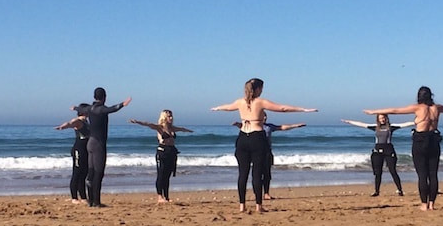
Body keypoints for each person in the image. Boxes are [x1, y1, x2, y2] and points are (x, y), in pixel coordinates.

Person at [212, 78, 317, 213]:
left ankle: (242, 206)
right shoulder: (260, 102)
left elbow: (227, 107)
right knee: (257, 174)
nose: (262, 91)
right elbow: (282, 109)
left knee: (242, 174)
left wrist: (217, 108)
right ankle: (258, 206)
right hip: (257, 138)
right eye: (261, 88)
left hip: (243, 138)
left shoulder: (240, 102)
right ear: (257, 89)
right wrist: (303, 110)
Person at [364, 86, 443, 211]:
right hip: (434, 139)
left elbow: (395, 110)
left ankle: (424, 204)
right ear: (431, 95)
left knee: (422, 175)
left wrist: (374, 112)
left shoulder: (418, 108)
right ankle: (432, 204)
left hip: (420, 140)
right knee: (433, 174)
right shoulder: (437, 108)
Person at [233, 112, 306, 200]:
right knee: (256, 174)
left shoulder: (269, 126)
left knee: (267, 174)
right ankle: (256, 193)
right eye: (262, 116)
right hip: (255, 152)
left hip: (267, 152)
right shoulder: (251, 126)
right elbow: (243, 126)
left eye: (265, 117)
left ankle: (266, 193)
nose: (264, 118)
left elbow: (282, 127)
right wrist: (238, 124)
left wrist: (295, 126)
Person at [79, 87, 132, 207]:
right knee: (98, 173)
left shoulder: (89, 108)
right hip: (98, 144)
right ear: (104, 97)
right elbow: (112, 109)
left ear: (94, 97)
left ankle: (91, 201)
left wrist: (75, 108)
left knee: (91, 173)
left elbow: (80, 108)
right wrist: (123, 104)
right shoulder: (100, 109)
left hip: (90, 143)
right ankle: (96, 202)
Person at [130, 110, 194, 203]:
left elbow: (181, 129)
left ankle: (166, 197)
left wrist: (188, 131)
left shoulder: (172, 128)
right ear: (164, 117)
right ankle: (160, 197)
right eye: (169, 116)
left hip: (171, 152)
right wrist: (137, 122)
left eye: (171, 116)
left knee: (167, 176)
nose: (171, 118)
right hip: (162, 152)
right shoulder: (160, 127)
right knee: (161, 175)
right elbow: (148, 124)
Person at [341, 114, 413, 197]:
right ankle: (376, 191)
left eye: (383, 118)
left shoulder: (391, 127)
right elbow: (362, 124)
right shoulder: (375, 127)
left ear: (386, 118)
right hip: (377, 151)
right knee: (378, 173)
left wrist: (418, 121)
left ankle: (400, 190)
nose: (382, 120)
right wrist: (349, 122)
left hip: (389, 150)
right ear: (378, 120)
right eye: (380, 118)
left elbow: (405, 124)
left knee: (392, 171)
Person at [54, 104, 91, 203]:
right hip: (78, 150)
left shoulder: (87, 121)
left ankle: (83, 197)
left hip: (85, 150)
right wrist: (63, 127)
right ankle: (74, 197)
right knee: (77, 173)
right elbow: (70, 123)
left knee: (84, 174)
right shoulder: (79, 121)